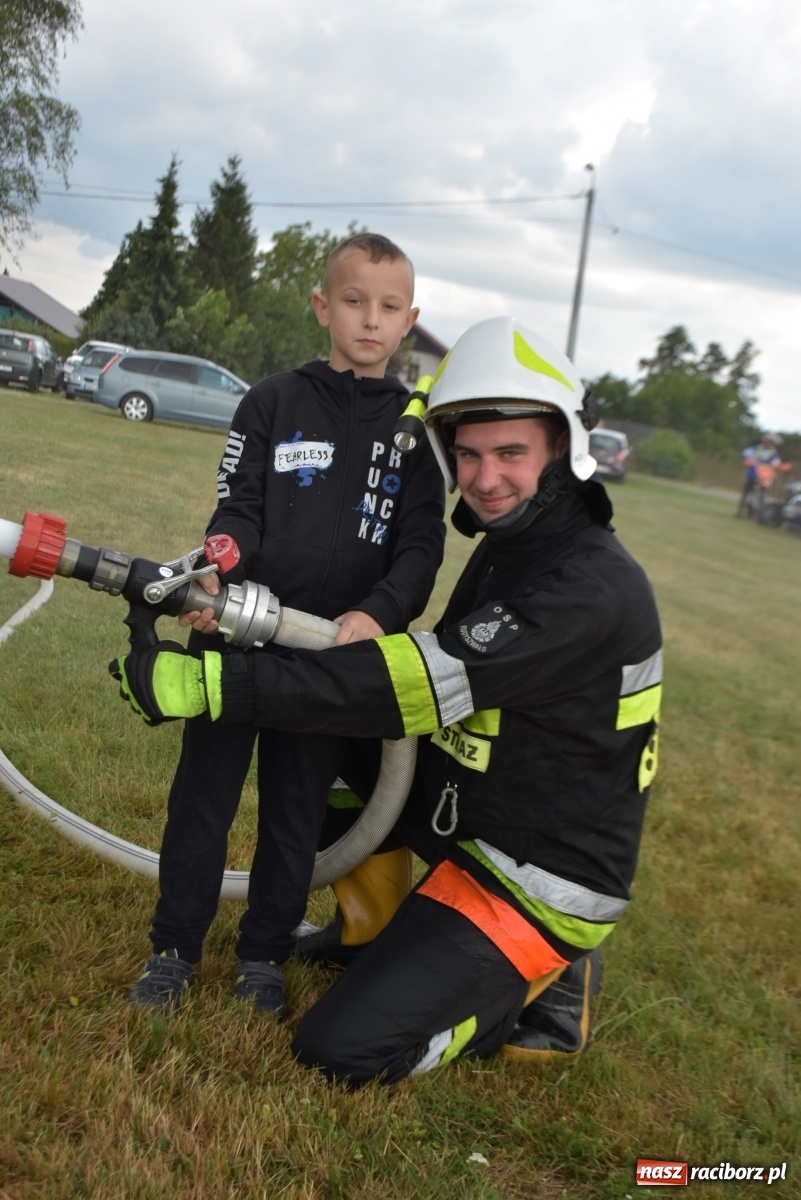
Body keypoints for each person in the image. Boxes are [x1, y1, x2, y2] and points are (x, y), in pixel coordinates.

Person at [111, 316, 662, 1084]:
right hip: (478, 814)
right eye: (467, 455)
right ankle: (368, 932)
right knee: (337, 734)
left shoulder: (587, 588)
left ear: (562, 448)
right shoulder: (515, 545)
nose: (484, 479)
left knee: (341, 1047)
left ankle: (543, 987)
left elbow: (410, 683)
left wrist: (217, 686)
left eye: (510, 453)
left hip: (534, 872)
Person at [125, 232, 446, 1017]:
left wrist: (376, 614)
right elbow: (236, 509)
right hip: (238, 637)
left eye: (389, 307)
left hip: (328, 661)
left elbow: (420, 547)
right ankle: (174, 949)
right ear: (321, 306)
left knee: (296, 811)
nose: (370, 319)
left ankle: (263, 954)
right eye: (353, 301)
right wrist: (218, 570)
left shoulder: (417, 431)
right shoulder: (271, 400)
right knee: (202, 799)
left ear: (409, 321)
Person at [736, 433, 782, 518]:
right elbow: (745, 454)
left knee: (761, 495)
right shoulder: (755, 448)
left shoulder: (773, 453)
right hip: (752, 474)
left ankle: (753, 513)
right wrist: (750, 460)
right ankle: (740, 512)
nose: (768, 443)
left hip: (764, 478)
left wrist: (768, 465)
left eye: (770, 442)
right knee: (746, 493)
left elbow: (776, 464)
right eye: (767, 441)